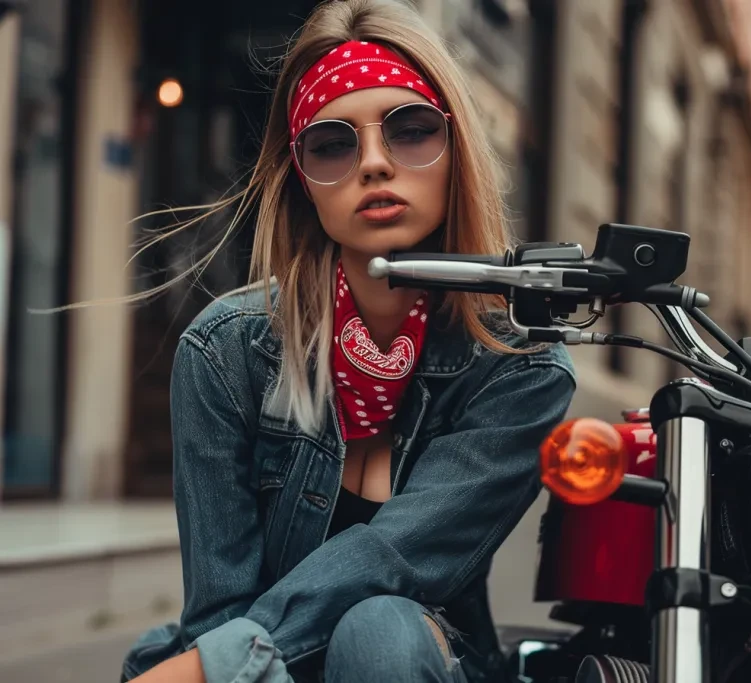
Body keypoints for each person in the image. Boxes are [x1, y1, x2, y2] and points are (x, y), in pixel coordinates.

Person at [119, 1, 576, 682]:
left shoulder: (519, 365)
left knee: (377, 626)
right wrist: (217, 659)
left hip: (419, 658)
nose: (373, 163)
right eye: (332, 144)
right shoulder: (224, 353)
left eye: (412, 130)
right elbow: (221, 610)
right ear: (302, 178)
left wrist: (205, 668)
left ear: (458, 151)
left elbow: (396, 557)